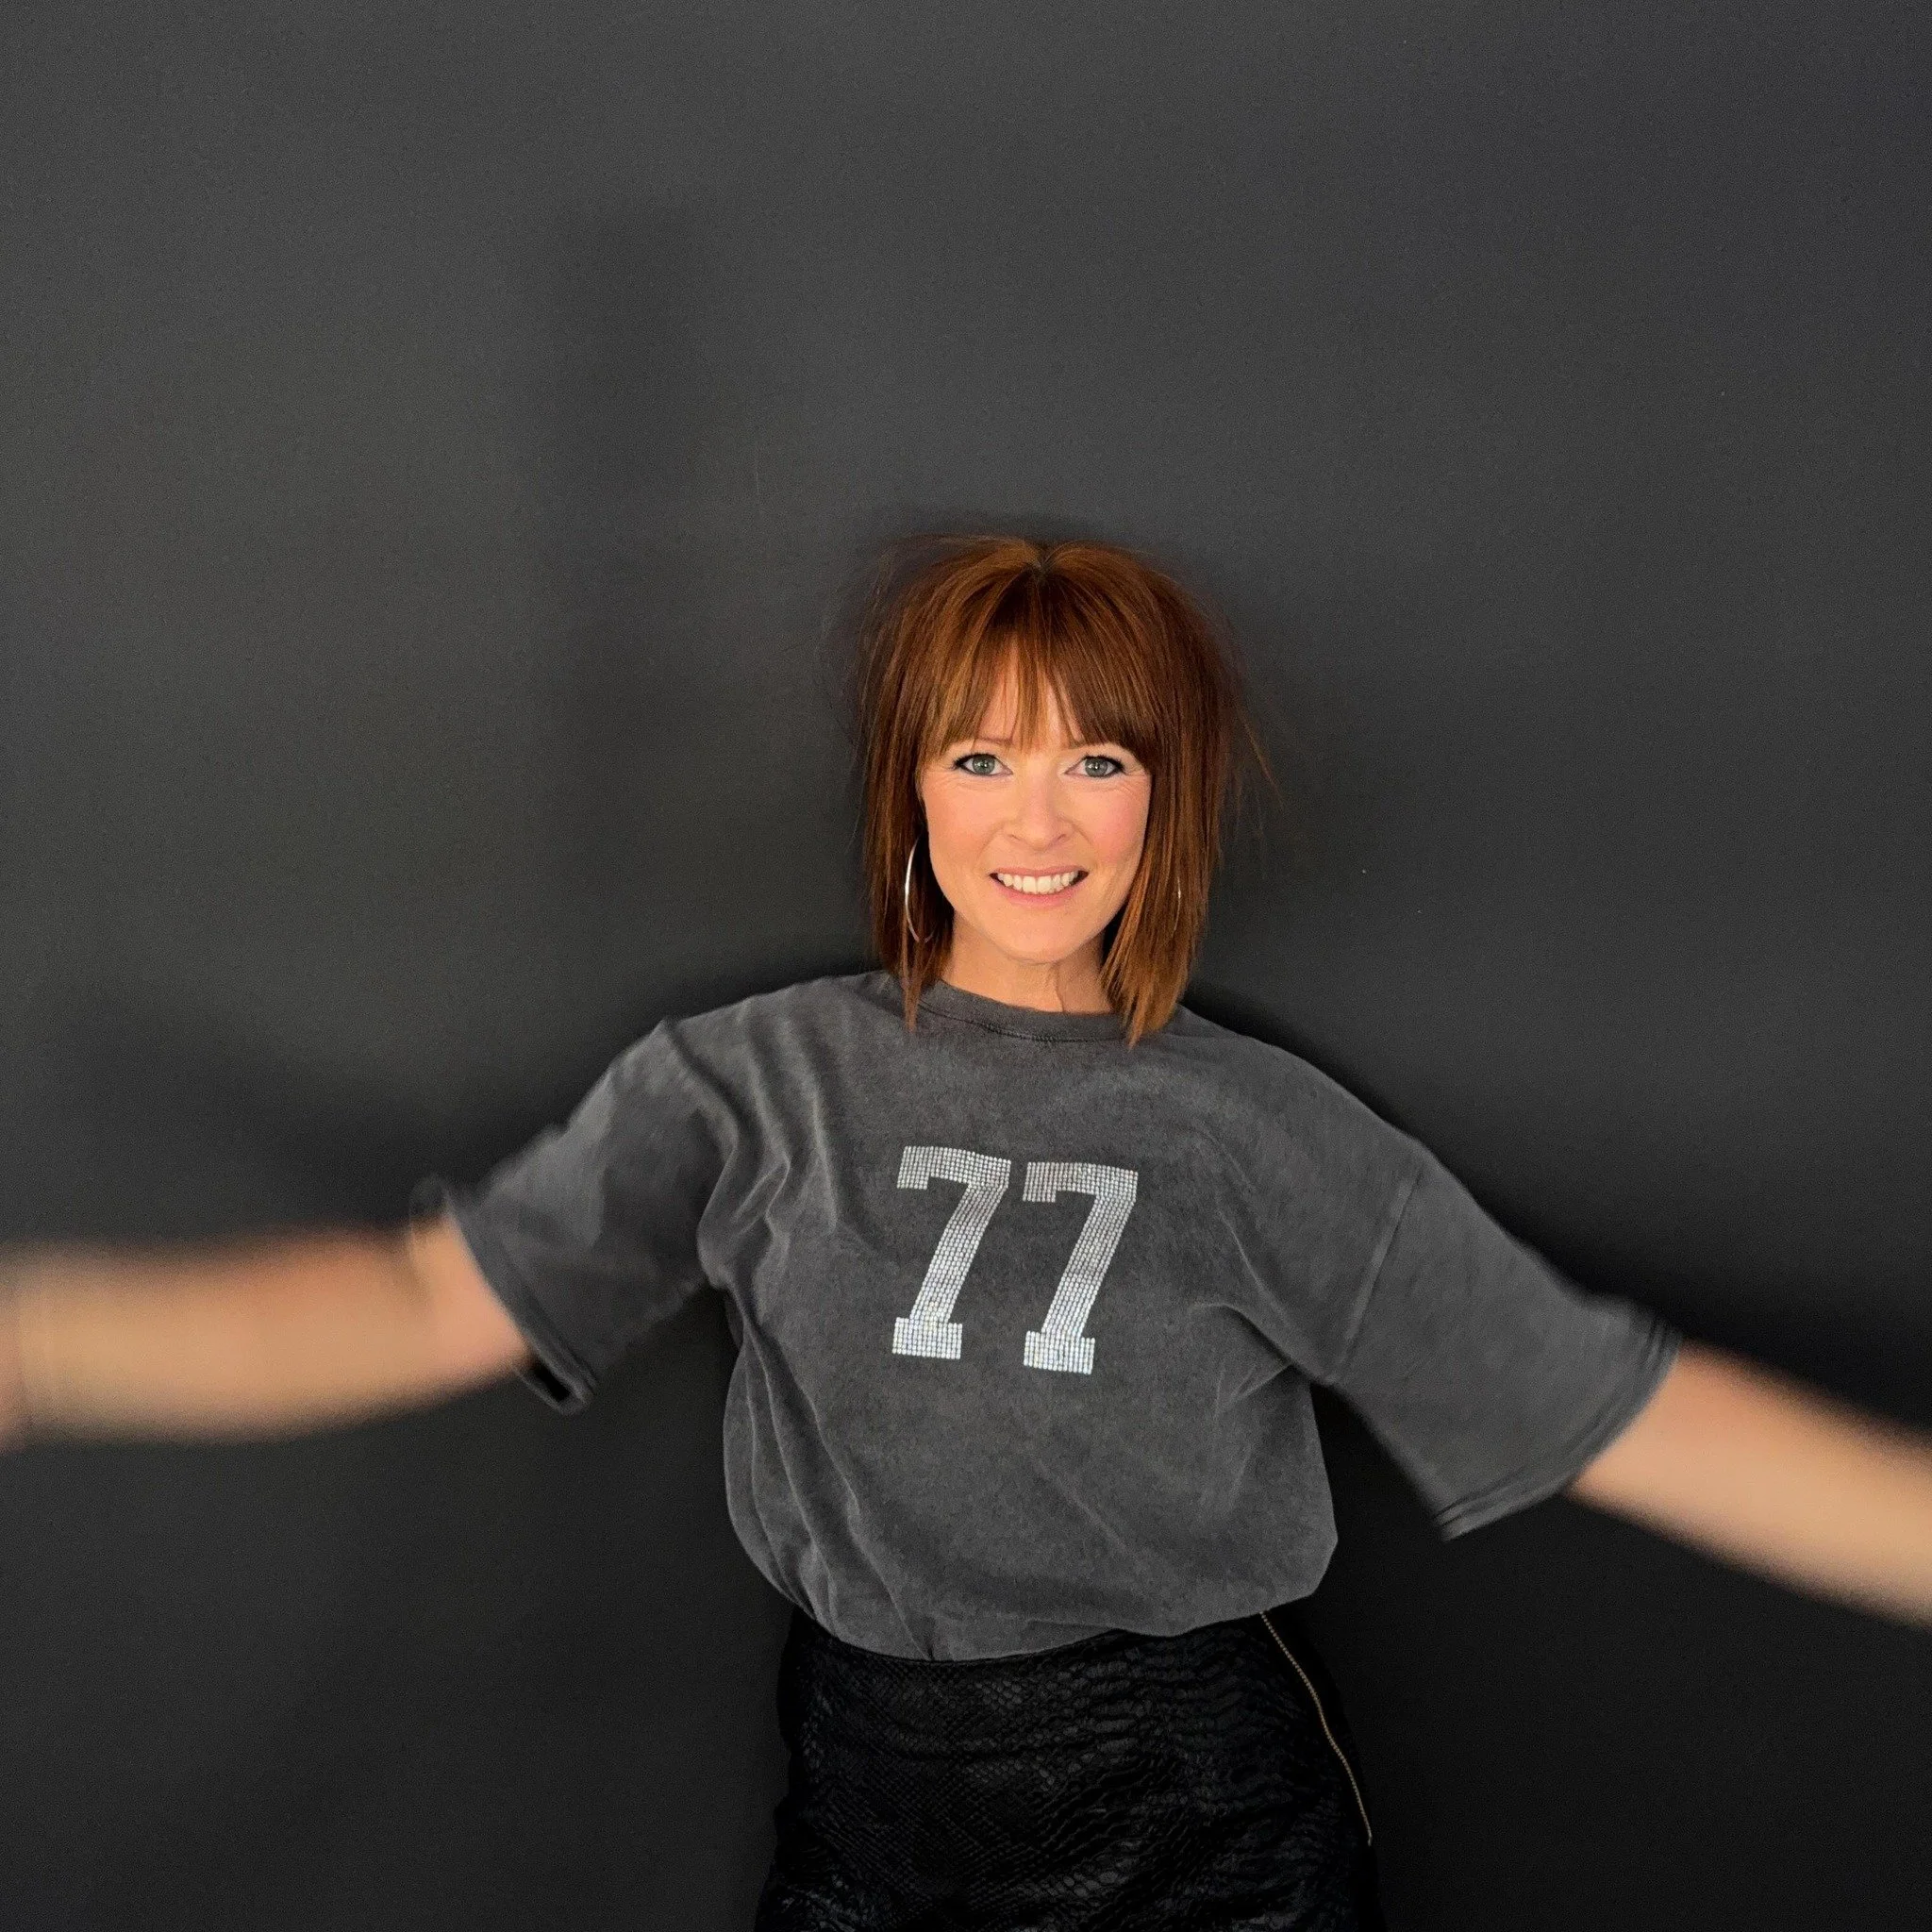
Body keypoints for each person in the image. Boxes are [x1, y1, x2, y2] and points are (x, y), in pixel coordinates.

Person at [3, 536, 1928, 1930]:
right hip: (866, 1798)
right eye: (981, 753)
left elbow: (1611, 1408)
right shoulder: (752, 1082)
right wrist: (49, 1346)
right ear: (908, 791)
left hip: (1196, 1814)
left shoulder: (1259, 1129)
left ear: (1160, 801)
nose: (1041, 813)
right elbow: (426, 1299)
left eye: (1099, 754)